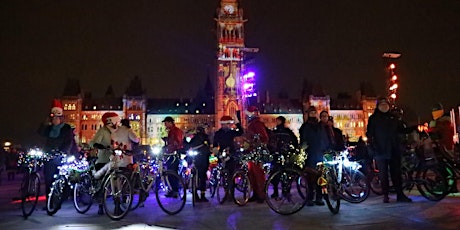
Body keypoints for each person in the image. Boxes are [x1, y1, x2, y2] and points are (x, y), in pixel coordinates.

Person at [366, 97, 412, 203]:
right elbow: (369, 134)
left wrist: (414, 128)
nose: (384, 106)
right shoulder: (374, 118)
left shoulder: (393, 117)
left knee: (396, 173)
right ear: (378, 106)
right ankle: (385, 195)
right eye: (381, 104)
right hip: (380, 150)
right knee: (383, 174)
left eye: (385, 104)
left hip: (393, 149)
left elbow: (401, 130)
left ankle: (400, 194)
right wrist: (373, 145)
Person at [37, 99, 78, 209]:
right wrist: (45, 123)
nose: (55, 120)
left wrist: (64, 152)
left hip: (60, 156)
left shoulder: (66, 128)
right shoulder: (49, 128)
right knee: (48, 180)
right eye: (53, 118)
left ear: (61, 118)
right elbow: (40, 133)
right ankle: (49, 202)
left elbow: (69, 141)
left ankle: (61, 197)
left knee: (61, 179)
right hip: (49, 156)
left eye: (57, 118)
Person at [89, 111, 120, 214]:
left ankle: (117, 205)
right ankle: (101, 205)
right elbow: (94, 142)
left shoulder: (117, 131)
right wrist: (100, 146)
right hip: (103, 159)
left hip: (115, 160)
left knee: (116, 183)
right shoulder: (103, 131)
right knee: (102, 183)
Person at [299, 106, 324, 206]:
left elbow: (323, 138)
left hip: (319, 153)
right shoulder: (305, 126)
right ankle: (309, 198)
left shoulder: (319, 126)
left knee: (319, 177)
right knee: (310, 178)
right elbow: (303, 139)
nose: (313, 114)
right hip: (310, 153)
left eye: (314, 112)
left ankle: (319, 197)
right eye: (311, 113)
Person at [270, 116, 299, 198]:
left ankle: (285, 191)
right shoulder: (277, 132)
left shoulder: (286, 132)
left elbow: (294, 141)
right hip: (278, 154)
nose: (277, 122)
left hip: (284, 154)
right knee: (276, 174)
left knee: (284, 174)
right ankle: (277, 191)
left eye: (278, 121)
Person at [245, 106, 269, 203]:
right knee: (252, 174)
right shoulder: (252, 124)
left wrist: (254, 143)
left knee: (258, 174)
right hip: (252, 151)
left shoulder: (257, 124)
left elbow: (264, 138)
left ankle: (261, 195)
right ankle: (256, 194)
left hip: (257, 152)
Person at [185, 126, 211, 202]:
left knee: (201, 176)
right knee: (200, 176)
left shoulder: (202, 138)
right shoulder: (197, 138)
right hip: (200, 159)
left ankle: (199, 194)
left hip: (200, 158)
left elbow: (189, 145)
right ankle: (198, 194)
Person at [162, 116, 184, 197]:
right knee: (171, 172)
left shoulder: (175, 131)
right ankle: (173, 190)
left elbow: (177, 142)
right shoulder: (172, 131)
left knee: (172, 172)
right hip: (172, 153)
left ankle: (175, 190)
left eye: (166, 123)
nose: (165, 125)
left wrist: (168, 143)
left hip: (173, 154)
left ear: (170, 123)